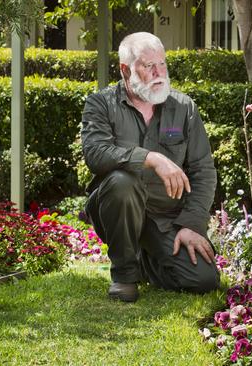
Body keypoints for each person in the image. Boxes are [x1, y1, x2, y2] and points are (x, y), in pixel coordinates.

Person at [81, 32, 219, 302]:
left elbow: (203, 171)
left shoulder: (184, 108)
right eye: (148, 66)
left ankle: (146, 260)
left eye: (162, 64)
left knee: (203, 280)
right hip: (115, 206)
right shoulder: (101, 104)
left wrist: (191, 225)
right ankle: (125, 275)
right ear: (125, 69)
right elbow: (95, 153)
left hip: (166, 218)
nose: (159, 72)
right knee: (123, 182)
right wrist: (151, 158)